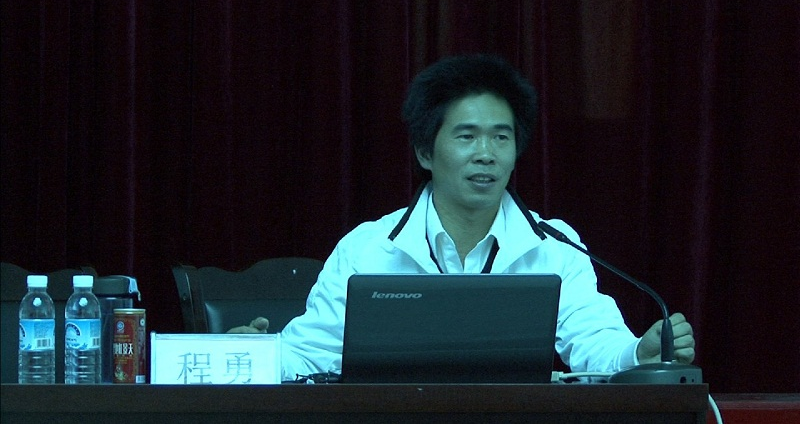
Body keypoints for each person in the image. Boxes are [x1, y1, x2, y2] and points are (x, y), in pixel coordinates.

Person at [230, 53, 696, 381]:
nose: (486, 154)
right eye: (467, 136)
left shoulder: (555, 244)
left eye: (501, 137)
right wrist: (248, 356)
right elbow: (311, 353)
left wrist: (640, 352)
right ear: (425, 152)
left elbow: (594, 341)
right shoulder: (368, 248)